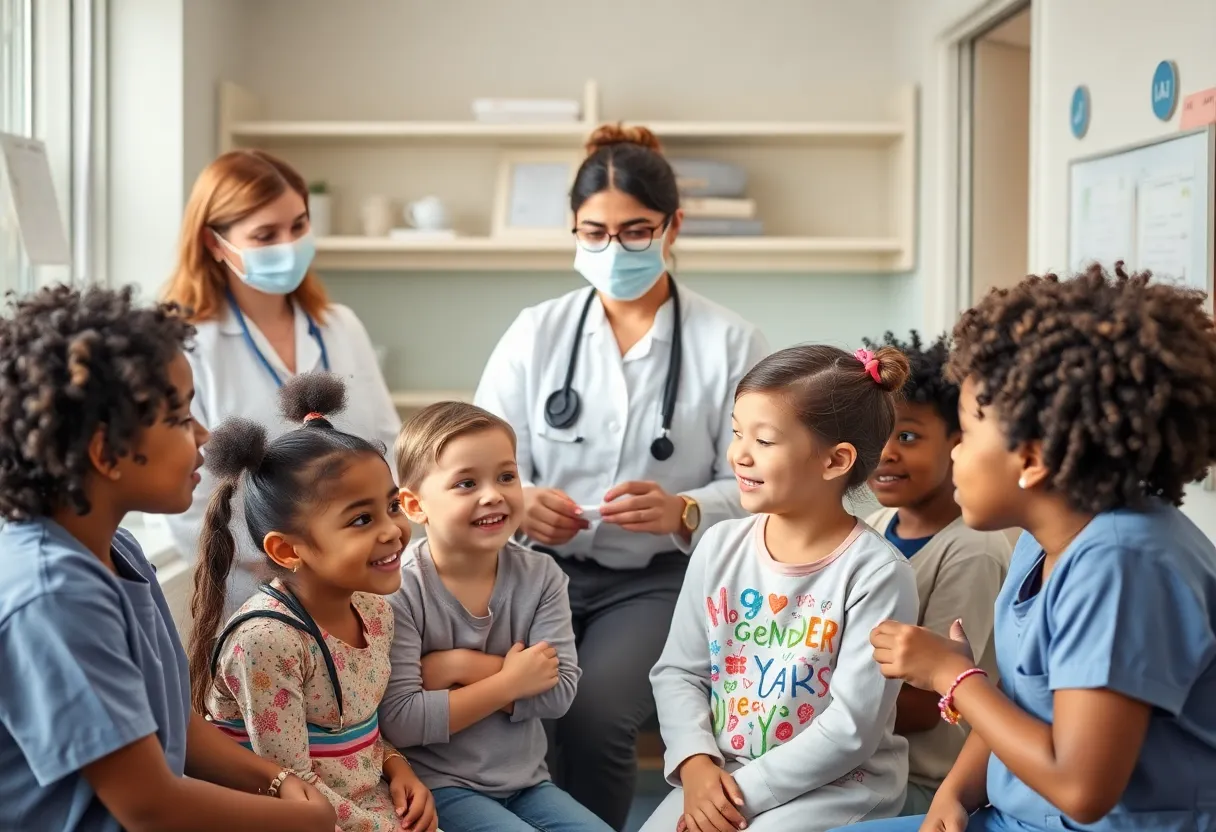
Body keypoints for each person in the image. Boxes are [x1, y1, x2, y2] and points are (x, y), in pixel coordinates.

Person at [843, 264, 1216, 832]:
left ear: (1033, 459)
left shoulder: (1122, 566)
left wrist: (952, 677)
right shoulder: (1044, 539)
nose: (956, 454)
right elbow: (1021, 701)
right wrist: (956, 792)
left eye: (968, 433)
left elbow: (1082, 789)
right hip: (1012, 815)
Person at [473, 123, 771, 829]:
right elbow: (475, 457)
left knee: (596, 711)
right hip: (532, 569)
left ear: (673, 227)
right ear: (574, 230)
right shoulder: (536, 332)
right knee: (519, 708)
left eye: (636, 231)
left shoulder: (730, 341)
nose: (615, 249)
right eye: (595, 232)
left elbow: (764, 482)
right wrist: (520, 502)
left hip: (655, 578)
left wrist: (685, 509)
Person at [0, 285, 336, 832]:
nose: (204, 435)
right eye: (180, 418)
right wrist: (305, 822)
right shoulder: (54, 597)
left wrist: (273, 779)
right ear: (106, 452)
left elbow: (171, 723)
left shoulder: (118, 549)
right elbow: (150, 807)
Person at [642, 344, 920, 832]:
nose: (739, 454)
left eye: (764, 440)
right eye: (736, 432)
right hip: (723, 771)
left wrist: (735, 798)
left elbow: (849, 729)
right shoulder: (718, 546)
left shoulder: (877, 574)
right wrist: (695, 765)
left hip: (840, 784)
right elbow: (679, 673)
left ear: (835, 461)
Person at [188, 373, 437, 832]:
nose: (393, 531)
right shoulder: (266, 643)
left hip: (363, 804)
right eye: (361, 519)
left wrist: (399, 768)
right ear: (287, 550)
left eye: (392, 507)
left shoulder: (375, 611)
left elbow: (360, 733)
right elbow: (293, 788)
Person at [161, 149, 400, 610]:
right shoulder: (188, 345)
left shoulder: (339, 326)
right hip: (256, 595)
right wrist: (293, 565)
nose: (288, 246)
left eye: (298, 225)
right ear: (214, 243)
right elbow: (188, 500)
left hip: (364, 585)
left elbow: (390, 446)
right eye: (265, 235)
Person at [379, 401, 612, 832]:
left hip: (527, 783)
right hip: (438, 787)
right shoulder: (399, 590)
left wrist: (458, 666)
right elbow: (403, 720)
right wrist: (510, 682)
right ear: (414, 505)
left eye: (506, 476)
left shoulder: (542, 576)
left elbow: (559, 693)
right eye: (466, 483)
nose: (493, 494)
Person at [861, 330, 1011, 815]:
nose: (885, 452)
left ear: (958, 441)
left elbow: (928, 708)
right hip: (858, 759)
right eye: (876, 435)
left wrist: (802, 703)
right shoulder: (874, 526)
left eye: (907, 436)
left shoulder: (972, 550)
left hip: (923, 784)